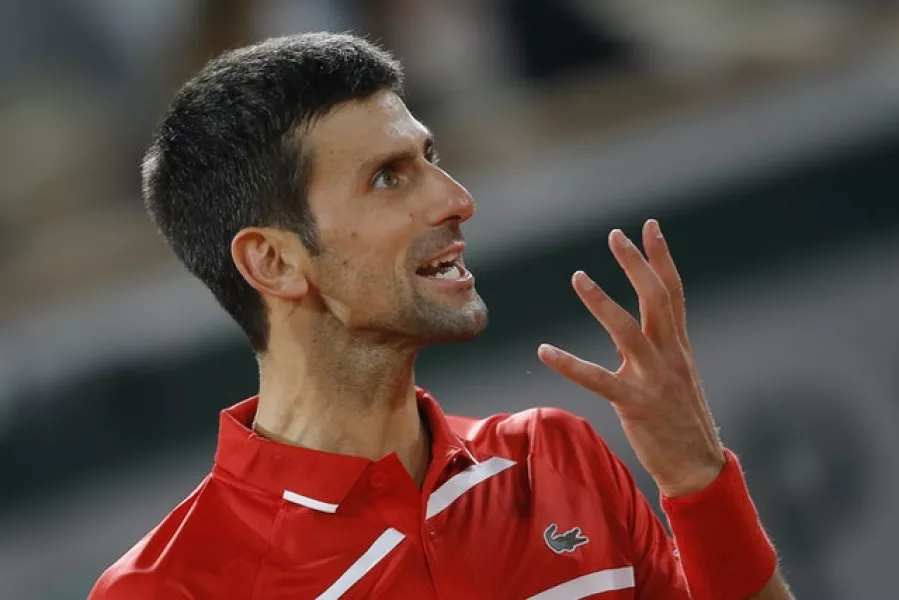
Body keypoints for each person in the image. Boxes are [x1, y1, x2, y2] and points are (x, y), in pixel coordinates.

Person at [89, 32, 794, 599]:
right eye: (388, 178)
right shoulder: (165, 589)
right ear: (272, 262)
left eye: (430, 158)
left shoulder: (556, 457)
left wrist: (698, 483)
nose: (455, 200)